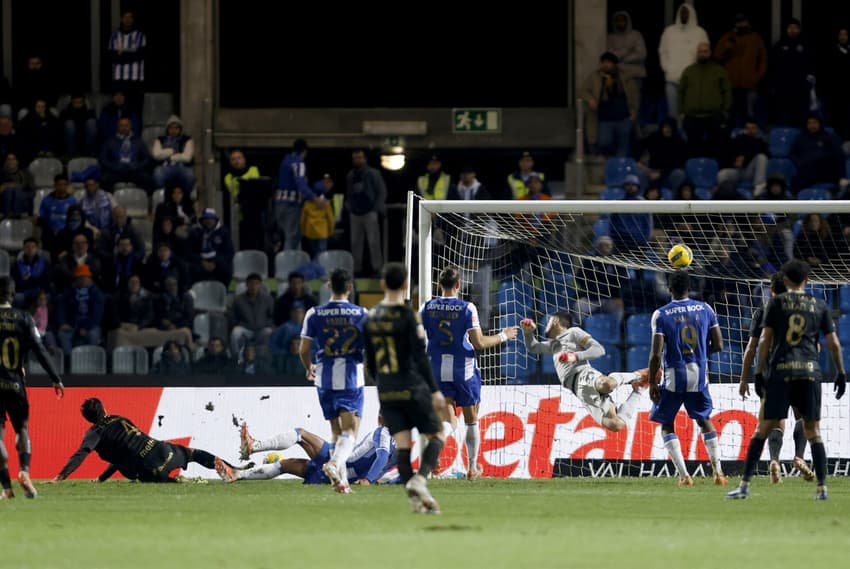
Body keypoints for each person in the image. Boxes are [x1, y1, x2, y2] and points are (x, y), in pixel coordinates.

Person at [727, 260, 846, 500]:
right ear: (807, 280)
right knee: (813, 430)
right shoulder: (819, 305)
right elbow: (832, 343)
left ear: (786, 281)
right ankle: (822, 489)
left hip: (781, 371)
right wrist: (841, 373)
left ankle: (745, 486)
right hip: (809, 372)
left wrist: (757, 373)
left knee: (763, 428)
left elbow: (763, 341)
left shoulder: (774, 304)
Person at [363, 262, 447, 514]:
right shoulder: (409, 315)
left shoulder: (370, 317)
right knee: (438, 435)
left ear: (382, 284)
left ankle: (416, 502)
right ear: (405, 284)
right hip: (411, 386)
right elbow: (420, 357)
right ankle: (420, 479)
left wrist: (382, 385)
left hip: (387, 391)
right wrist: (434, 390)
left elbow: (370, 362)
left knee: (402, 447)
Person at [420, 267, 518, 478]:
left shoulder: (426, 307)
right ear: (458, 285)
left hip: (436, 367)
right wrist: (504, 335)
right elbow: (479, 342)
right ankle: (472, 468)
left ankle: (436, 444)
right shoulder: (467, 308)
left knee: (449, 421)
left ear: (439, 284)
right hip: (462, 368)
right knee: (470, 417)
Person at [648, 271, 727, 487]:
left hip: (673, 378)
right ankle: (718, 473)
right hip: (699, 376)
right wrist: (699, 354)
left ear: (669, 289)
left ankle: (684, 476)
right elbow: (719, 345)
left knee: (667, 424)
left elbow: (656, 354)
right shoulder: (705, 309)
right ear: (689, 288)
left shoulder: (661, 315)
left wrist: (653, 382)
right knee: (704, 420)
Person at [293, 268, 367, 493]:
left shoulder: (314, 313)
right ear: (350, 287)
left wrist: (309, 368)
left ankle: (342, 483)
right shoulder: (362, 314)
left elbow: (303, 349)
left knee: (336, 431)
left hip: (324, 379)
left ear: (328, 286)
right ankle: (334, 464)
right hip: (350, 378)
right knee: (351, 431)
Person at [738, 271, 814, 484]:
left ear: (771, 290)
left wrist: (744, 378)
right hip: (798, 369)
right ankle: (799, 456)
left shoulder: (763, 311)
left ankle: (774, 460)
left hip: (771, 372)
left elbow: (752, 347)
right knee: (802, 416)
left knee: (776, 420)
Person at [52, 398, 234, 483]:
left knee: (153, 475)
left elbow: (81, 455)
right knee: (191, 453)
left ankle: (177, 481)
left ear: (87, 418)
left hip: (149, 470)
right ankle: (231, 469)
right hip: (163, 452)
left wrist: (60, 477)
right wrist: (101, 478)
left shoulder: (94, 433)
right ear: (104, 409)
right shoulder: (119, 419)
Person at [520, 311, 647, 433]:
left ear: (556, 321)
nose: (546, 325)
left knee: (607, 385)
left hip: (584, 375)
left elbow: (599, 350)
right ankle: (639, 389)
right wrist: (528, 333)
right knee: (615, 425)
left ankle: (637, 375)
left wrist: (575, 356)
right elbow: (533, 347)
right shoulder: (553, 345)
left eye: (549, 321)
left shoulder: (573, 332)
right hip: (578, 390)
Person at [0, 276, 64, 500]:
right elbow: (39, 349)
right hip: (15, 383)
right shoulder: (24, 318)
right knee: (22, 430)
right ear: (12, 294)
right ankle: (24, 471)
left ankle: (7, 488)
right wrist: (55, 378)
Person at [226, 422, 396, 486]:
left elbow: (382, 457)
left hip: (339, 460)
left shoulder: (384, 432)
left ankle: (253, 446)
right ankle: (237, 474)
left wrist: (368, 480)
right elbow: (393, 465)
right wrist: (381, 479)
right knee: (286, 465)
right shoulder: (401, 444)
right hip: (347, 476)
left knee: (301, 434)